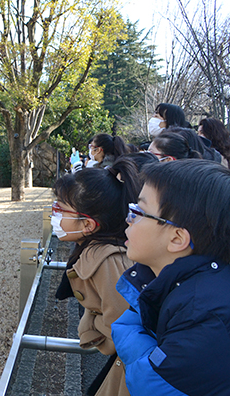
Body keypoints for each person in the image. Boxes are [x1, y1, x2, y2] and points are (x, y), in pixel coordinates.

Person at [112, 159, 230, 395]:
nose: (128, 218)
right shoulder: (178, 283)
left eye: (139, 212)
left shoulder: (203, 312)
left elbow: (152, 382)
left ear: (177, 239)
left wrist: (128, 331)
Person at [53, 158, 141, 396]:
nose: (54, 215)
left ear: (89, 225)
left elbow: (121, 325)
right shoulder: (94, 248)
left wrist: (91, 326)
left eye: (60, 209)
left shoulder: (108, 261)